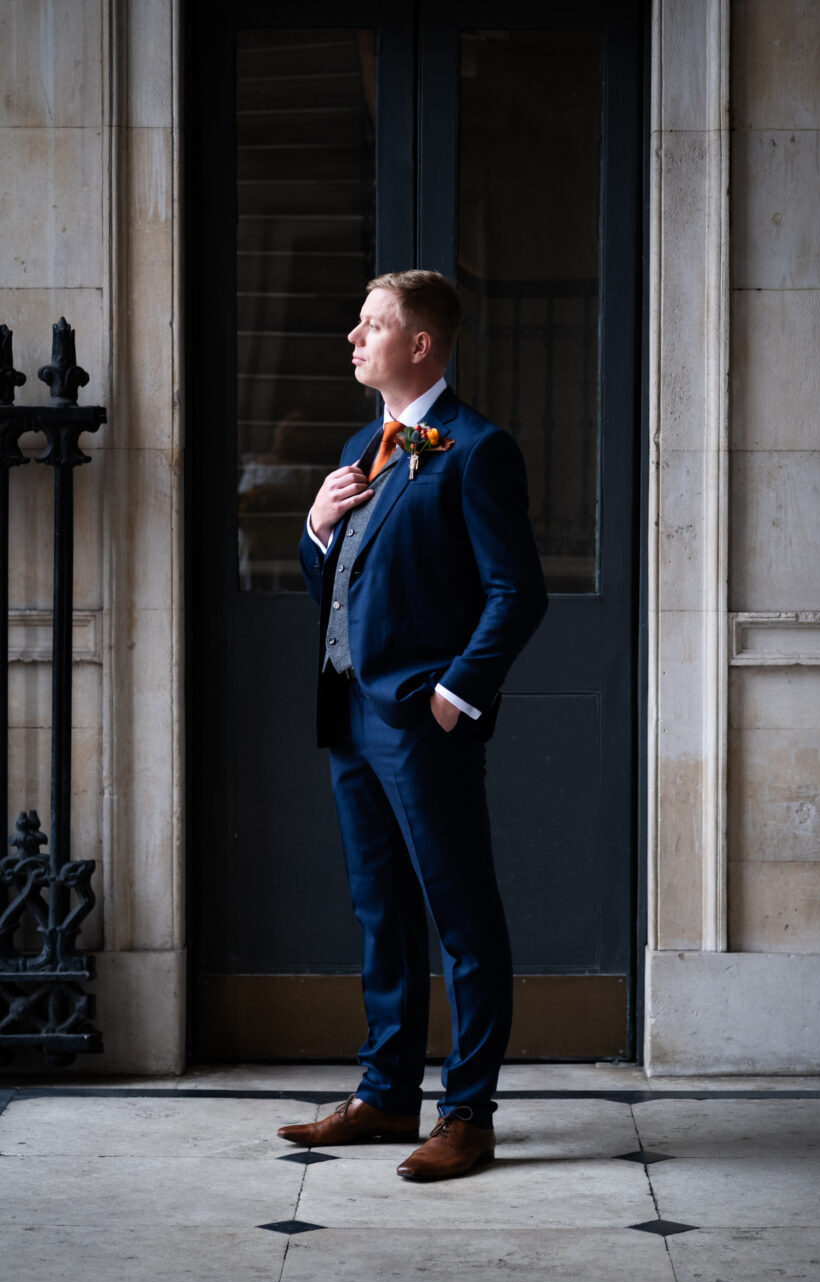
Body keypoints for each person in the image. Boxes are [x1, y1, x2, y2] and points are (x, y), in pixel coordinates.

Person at [277, 270, 547, 1180]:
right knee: (379, 910)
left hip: (420, 720)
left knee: (463, 916)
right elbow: (348, 585)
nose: (353, 338)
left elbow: (517, 593)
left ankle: (467, 1115)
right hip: (350, 716)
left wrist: (452, 696)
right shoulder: (366, 442)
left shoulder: (476, 448)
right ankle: (388, 1097)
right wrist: (316, 532)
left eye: (371, 325)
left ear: (420, 344)